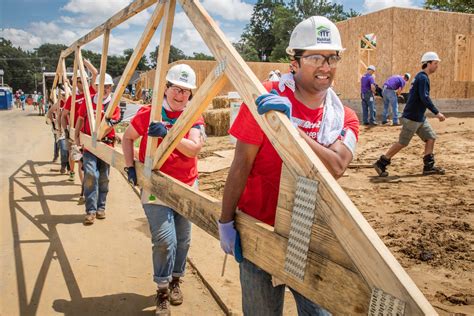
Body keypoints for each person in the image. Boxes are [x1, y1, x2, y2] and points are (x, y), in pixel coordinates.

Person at [218, 16, 359, 315]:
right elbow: (241, 163)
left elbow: (336, 165)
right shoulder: (266, 97)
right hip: (260, 229)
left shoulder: (343, 116)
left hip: (311, 235)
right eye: (315, 57)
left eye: (333, 57)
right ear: (294, 62)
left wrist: (288, 127)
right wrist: (226, 221)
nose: (326, 66)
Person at [122, 64, 205, 315]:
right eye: (176, 90)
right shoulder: (149, 114)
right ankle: (162, 289)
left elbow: (193, 149)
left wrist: (169, 133)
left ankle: (176, 279)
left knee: (183, 240)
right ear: (166, 89)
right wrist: (130, 167)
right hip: (156, 186)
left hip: (185, 186)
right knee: (164, 241)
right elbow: (127, 138)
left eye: (186, 92)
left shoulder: (194, 116)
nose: (180, 96)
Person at [373, 52, 446, 177]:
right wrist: (437, 113)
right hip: (412, 117)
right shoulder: (422, 78)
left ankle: (428, 166)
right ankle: (381, 163)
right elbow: (424, 97)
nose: (436, 66)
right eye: (435, 63)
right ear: (427, 64)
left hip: (419, 117)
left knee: (431, 137)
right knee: (402, 143)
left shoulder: (420, 77)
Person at [74, 73, 120, 225]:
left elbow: (110, 125)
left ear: (110, 88)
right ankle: (90, 211)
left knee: (103, 177)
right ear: (96, 87)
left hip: (106, 145)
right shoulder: (88, 103)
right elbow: (80, 120)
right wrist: (76, 138)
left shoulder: (113, 105)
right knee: (90, 174)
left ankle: (101, 207)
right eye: (102, 86)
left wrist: (98, 136)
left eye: (107, 86)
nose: (105, 89)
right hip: (88, 145)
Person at [61, 61, 97, 184]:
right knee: (76, 156)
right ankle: (80, 181)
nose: (84, 83)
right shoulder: (72, 99)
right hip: (76, 132)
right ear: (76, 83)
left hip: (89, 132)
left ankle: (87, 187)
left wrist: (84, 62)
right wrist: (66, 130)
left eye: (85, 80)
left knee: (87, 160)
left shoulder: (91, 92)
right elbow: (63, 115)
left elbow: (95, 73)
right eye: (80, 81)